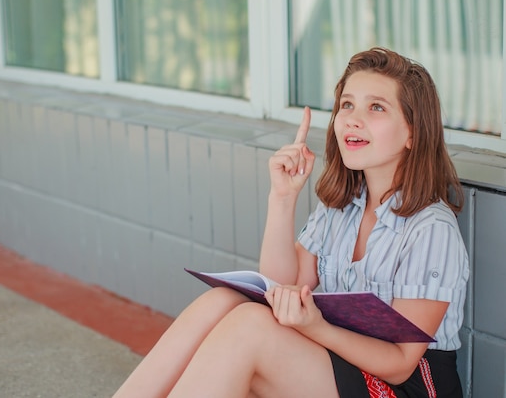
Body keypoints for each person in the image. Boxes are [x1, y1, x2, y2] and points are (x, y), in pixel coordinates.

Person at [113, 47, 469, 398]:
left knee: (250, 328)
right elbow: (279, 288)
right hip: (341, 361)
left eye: (376, 107)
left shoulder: (430, 228)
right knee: (223, 302)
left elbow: (401, 364)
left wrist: (315, 327)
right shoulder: (342, 207)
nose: (352, 118)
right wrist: (282, 198)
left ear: (413, 133)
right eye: (347, 104)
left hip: (407, 385)